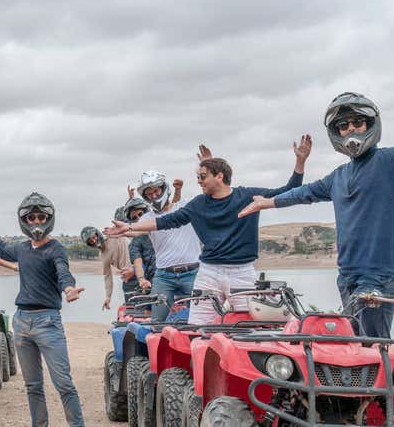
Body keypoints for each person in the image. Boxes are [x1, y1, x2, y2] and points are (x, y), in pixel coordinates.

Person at [107, 138, 311, 324]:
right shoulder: (198, 204)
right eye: (198, 177)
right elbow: (166, 221)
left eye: (202, 176)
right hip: (208, 271)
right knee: (197, 326)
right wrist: (130, 227)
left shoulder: (247, 196)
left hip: (242, 271)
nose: (198, 181)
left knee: (248, 324)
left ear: (219, 176)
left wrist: (300, 163)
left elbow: (287, 192)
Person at [240, 92, 393, 337]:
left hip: (378, 275)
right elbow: (305, 192)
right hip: (347, 275)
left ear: (371, 124)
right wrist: (268, 202)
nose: (351, 129)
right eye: (343, 126)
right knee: (355, 344)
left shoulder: (388, 161)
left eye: (357, 122)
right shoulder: (338, 176)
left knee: (376, 347)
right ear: (336, 132)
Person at [0, 194, 99, 427]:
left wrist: (68, 289)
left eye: (41, 217)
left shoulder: (56, 248)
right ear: (23, 220)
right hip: (22, 321)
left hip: (47, 321)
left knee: (64, 383)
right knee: (33, 385)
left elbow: (63, 271)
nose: (36, 222)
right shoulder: (22, 248)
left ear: (49, 219)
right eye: (31, 217)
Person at [124, 171, 202, 321]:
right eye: (149, 194)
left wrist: (208, 165)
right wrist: (122, 230)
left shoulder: (185, 206)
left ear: (163, 188)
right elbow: (134, 230)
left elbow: (209, 196)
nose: (153, 196)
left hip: (193, 272)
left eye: (156, 191)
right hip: (164, 276)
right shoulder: (147, 218)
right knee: (157, 321)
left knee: (202, 318)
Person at [80, 225, 131, 310]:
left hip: (139, 268)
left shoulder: (112, 236)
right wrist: (108, 297)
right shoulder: (102, 254)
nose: (93, 240)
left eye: (93, 237)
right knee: (131, 309)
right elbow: (107, 276)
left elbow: (124, 229)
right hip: (128, 278)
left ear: (97, 233)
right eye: (90, 241)